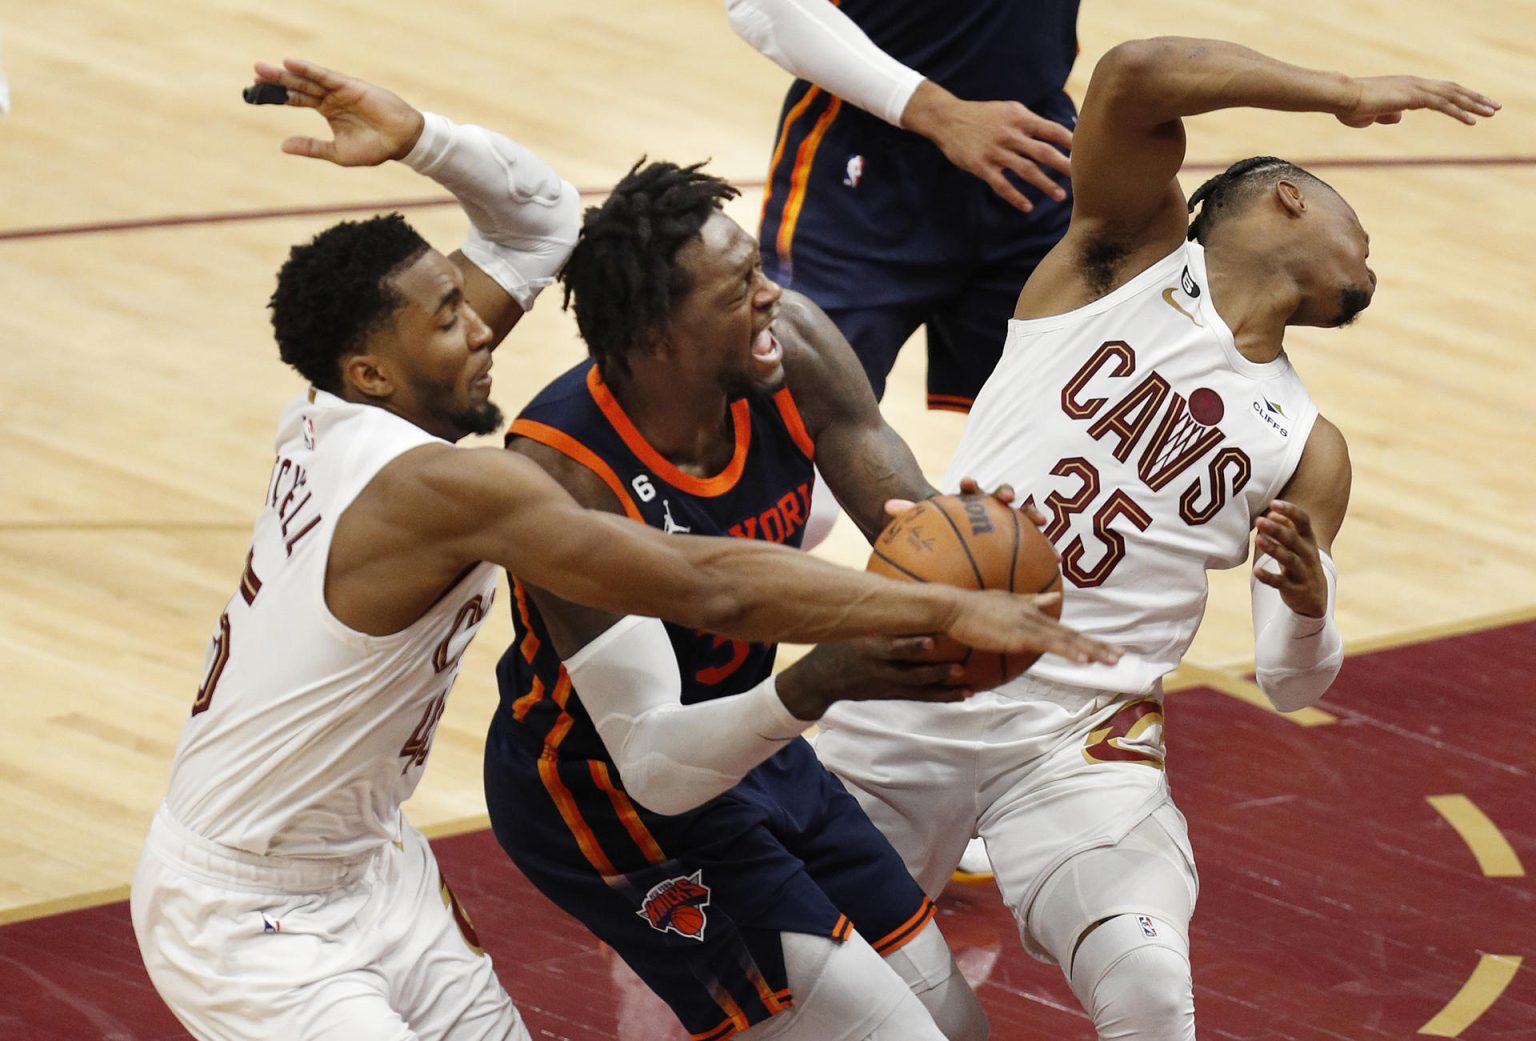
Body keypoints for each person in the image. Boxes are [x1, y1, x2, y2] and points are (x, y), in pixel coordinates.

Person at [128, 60, 1117, 1041]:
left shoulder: (339, 406)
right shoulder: (450, 488)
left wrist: (422, 136)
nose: (484, 326)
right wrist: (937, 608)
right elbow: (702, 584)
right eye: (447, 317)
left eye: (463, 299)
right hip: (248, 905)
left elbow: (539, 220)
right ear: (373, 368)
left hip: (372, 861)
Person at [812, 37, 1499, 1041]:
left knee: (1148, 989)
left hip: (1079, 734)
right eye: (1363, 228)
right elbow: (1134, 74)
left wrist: (1310, 606)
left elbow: (1292, 679)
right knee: (891, 1014)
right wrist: (1343, 91)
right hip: (921, 660)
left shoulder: (1309, 448)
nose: (1373, 258)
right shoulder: (1122, 258)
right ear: (1289, 201)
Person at [481, 152, 1106, 1039]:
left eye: (759, 270)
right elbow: (654, 761)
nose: (771, 294)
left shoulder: (792, 348)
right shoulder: (559, 477)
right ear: (659, 335)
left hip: (755, 741)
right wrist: (823, 680)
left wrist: (979, 553)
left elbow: (913, 529)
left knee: (955, 1024)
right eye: (738, 287)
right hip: (610, 788)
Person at [729, 0, 1078, 412]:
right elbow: (757, 5)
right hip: (863, 167)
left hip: (1030, 152)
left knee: (1054, 420)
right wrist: (936, 111)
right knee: (797, 415)